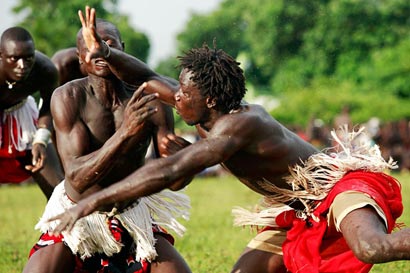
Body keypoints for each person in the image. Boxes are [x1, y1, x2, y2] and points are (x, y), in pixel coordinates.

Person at [49, 6, 409, 273]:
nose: (175, 98)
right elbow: (146, 74)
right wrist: (106, 53)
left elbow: (167, 171)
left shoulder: (239, 125)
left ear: (207, 98)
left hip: (340, 188)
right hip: (302, 210)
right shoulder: (206, 107)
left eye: (183, 93)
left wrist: (86, 205)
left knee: (371, 247)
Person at [23, 14, 191, 273]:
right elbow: (77, 177)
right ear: (81, 59)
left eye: (107, 44)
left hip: (131, 212)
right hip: (78, 214)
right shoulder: (68, 97)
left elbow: (169, 177)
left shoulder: (151, 97)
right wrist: (125, 132)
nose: (99, 52)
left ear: (121, 50)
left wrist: (182, 164)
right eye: (91, 48)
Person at [0, 26, 63, 199]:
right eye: (15, 58)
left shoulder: (45, 69)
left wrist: (40, 141)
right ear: (1, 55)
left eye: (28, 58)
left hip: (22, 115)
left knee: (57, 189)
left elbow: (50, 103)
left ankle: (67, 223)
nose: (22, 65)